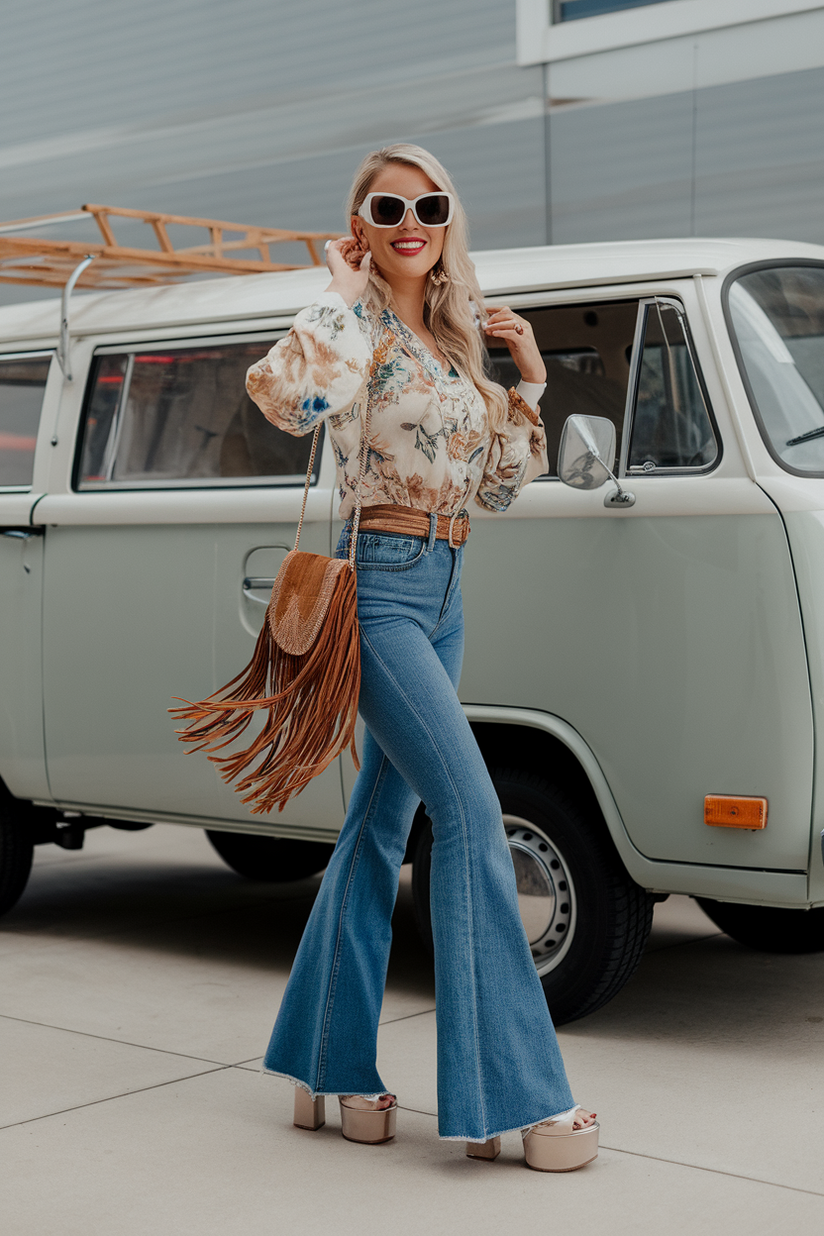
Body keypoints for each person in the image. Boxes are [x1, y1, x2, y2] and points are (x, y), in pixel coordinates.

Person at [245, 143, 598, 1171]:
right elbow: (282, 401)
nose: (412, 219)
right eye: (388, 205)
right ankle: (513, 1098)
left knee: (378, 823)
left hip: (443, 590)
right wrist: (336, 296)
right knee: (473, 816)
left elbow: (491, 491)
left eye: (429, 204)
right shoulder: (352, 325)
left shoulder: (447, 347)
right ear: (361, 221)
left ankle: (330, 1067)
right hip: (379, 587)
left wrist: (525, 382)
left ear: (447, 222)